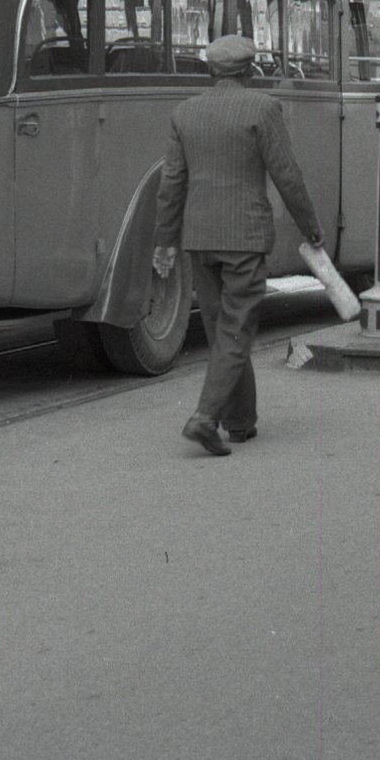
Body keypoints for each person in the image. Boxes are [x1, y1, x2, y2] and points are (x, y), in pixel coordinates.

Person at [152, 33, 324, 457]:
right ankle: (205, 418)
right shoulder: (262, 108)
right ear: (250, 70)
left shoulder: (184, 112)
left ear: (211, 70)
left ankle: (240, 421)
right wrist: (311, 227)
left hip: (200, 238)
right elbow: (287, 174)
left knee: (223, 331)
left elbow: (171, 182)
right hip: (244, 236)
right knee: (236, 329)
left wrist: (165, 240)